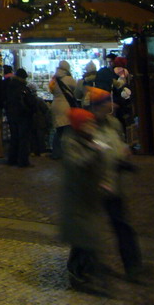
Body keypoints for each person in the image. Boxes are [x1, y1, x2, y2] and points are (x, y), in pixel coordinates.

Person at [86, 85, 149, 283]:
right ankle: (83, 268)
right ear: (97, 106)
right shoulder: (87, 128)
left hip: (113, 185)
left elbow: (117, 146)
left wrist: (123, 157)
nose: (112, 104)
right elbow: (86, 156)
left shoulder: (113, 124)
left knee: (122, 227)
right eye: (107, 102)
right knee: (89, 229)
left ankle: (133, 267)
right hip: (95, 187)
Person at [60, 107, 107, 294]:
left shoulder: (87, 138)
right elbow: (78, 163)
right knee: (84, 239)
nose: (92, 126)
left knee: (85, 239)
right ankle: (77, 273)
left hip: (87, 198)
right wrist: (94, 150)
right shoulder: (71, 141)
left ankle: (85, 271)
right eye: (88, 123)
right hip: (78, 200)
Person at [5, 68, 36, 167]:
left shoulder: (10, 86)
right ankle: (23, 161)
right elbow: (29, 102)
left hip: (12, 115)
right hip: (23, 116)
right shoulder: (23, 88)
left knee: (14, 137)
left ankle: (12, 159)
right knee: (23, 139)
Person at [48, 60, 78, 159]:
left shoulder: (54, 79)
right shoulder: (69, 79)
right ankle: (64, 153)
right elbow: (77, 91)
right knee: (66, 131)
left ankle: (56, 152)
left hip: (55, 105)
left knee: (58, 130)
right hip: (65, 106)